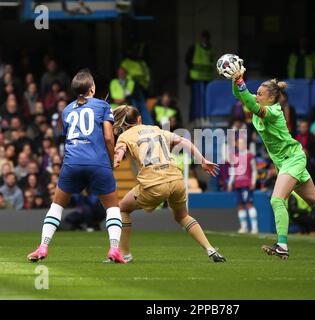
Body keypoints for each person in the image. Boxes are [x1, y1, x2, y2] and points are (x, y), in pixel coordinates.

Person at [224, 60, 315, 259]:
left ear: (271, 97)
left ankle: (282, 245)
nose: (256, 95)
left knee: (276, 199)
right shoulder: (260, 103)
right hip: (286, 161)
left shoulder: (273, 111)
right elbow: (240, 95)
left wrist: (240, 82)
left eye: (260, 93)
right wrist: (235, 79)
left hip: (293, 159)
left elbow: (250, 103)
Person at [27, 69, 126, 264]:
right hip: (98, 162)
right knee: (112, 208)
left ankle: (43, 245)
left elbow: (68, 137)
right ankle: (114, 249)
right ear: (92, 88)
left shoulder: (66, 110)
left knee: (57, 206)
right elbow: (108, 136)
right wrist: (111, 158)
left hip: (72, 162)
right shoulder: (103, 105)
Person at [112, 105, 225, 263]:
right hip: (176, 180)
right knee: (182, 216)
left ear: (122, 124)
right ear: (139, 119)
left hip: (154, 184)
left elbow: (118, 156)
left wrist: (114, 161)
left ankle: (124, 253)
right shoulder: (155, 129)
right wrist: (203, 160)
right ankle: (210, 248)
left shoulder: (124, 137)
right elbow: (183, 140)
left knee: (122, 208)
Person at [227, 137, 258, 234]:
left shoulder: (250, 156)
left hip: (246, 184)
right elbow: (232, 171)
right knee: (240, 205)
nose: (240, 145)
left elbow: (254, 170)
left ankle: (254, 228)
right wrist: (230, 183)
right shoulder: (235, 156)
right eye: (239, 143)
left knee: (249, 204)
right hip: (238, 184)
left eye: (242, 143)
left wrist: (253, 182)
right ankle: (244, 227)